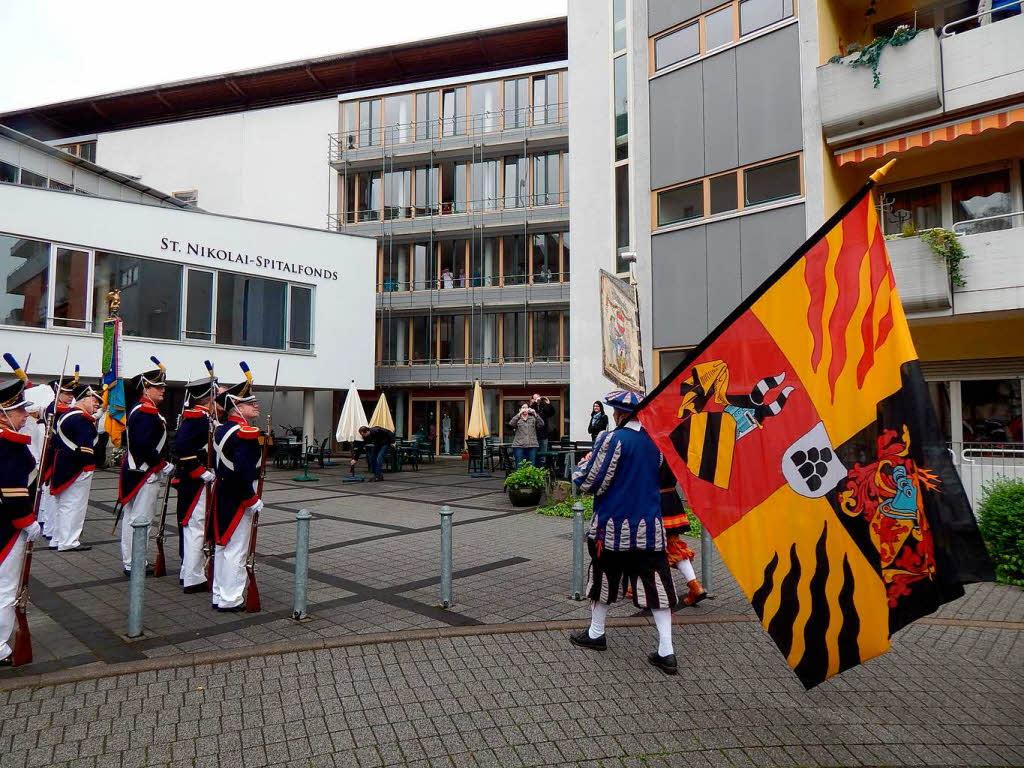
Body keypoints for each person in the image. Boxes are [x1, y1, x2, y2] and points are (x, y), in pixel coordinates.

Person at [569, 390, 679, 675]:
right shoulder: (656, 442)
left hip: (613, 529)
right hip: (650, 530)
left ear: (619, 414)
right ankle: (666, 650)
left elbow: (587, 480)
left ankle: (596, 633)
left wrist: (584, 462)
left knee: (603, 580)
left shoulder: (611, 439)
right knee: (657, 585)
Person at [0, 376, 43, 666]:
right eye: (19, 410)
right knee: (6, 586)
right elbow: (13, 491)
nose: (24, 415)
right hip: (7, 526)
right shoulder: (9, 444)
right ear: (4, 412)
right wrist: (27, 521)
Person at [212, 372, 264, 611]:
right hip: (239, 494)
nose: (255, 405)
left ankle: (220, 594)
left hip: (223, 491)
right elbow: (243, 471)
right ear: (235, 406)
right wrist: (251, 499)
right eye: (249, 403)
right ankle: (231, 598)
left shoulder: (222, 430)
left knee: (223, 545)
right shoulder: (246, 433)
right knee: (236, 549)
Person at [118, 359, 172, 577]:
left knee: (133, 518)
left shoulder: (143, 410)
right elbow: (142, 445)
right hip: (144, 472)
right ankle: (134, 562)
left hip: (137, 471)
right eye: (157, 387)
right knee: (141, 520)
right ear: (145, 388)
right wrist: (163, 464)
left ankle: (132, 560)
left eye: (162, 387)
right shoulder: (146, 412)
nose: (162, 391)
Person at [174, 373, 218, 594]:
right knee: (196, 529)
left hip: (192, 481)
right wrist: (201, 472)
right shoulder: (197, 419)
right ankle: (193, 577)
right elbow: (181, 449)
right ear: (208, 400)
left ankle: (188, 572)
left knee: (194, 528)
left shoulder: (197, 418)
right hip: (195, 482)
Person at [49, 382, 102, 552]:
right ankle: (69, 541)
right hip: (77, 467)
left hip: (64, 464)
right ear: (84, 399)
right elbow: (86, 448)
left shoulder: (69, 415)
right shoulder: (81, 419)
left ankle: (58, 539)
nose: (97, 404)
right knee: (74, 505)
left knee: (63, 505)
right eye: (95, 400)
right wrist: (89, 466)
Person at [659, 462, 707, 607]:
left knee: (648, 547)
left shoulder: (649, 445)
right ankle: (695, 586)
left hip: (653, 501)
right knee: (673, 546)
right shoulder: (672, 443)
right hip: (672, 499)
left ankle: (648, 589)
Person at [37, 374, 75, 541]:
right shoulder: (53, 409)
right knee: (52, 493)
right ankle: (51, 528)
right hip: (55, 454)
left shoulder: (65, 409)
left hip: (59, 455)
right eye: (67, 393)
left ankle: (52, 527)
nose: (70, 397)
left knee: (55, 494)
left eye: (71, 394)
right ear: (57, 392)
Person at [509, 402, 543, 466]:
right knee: (519, 466)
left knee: (531, 466)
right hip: (519, 445)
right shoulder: (517, 418)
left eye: (526, 407)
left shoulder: (533, 418)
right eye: (523, 407)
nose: (525, 409)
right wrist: (519, 414)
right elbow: (511, 424)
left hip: (532, 445)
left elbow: (541, 424)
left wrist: (535, 414)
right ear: (520, 409)